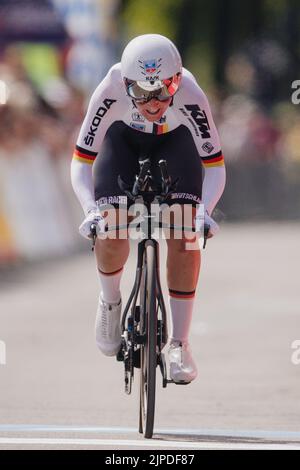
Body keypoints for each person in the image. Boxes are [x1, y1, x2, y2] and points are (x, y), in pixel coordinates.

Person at [71, 34, 226, 384]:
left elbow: (215, 165)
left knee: (185, 234)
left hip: (177, 143)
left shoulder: (191, 94)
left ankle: (180, 344)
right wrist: (90, 210)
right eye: (141, 92)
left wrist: (204, 211)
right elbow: (80, 161)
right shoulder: (109, 88)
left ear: (178, 79)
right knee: (111, 227)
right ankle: (110, 302)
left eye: (163, 90)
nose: (153, 102)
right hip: (122, 142)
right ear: (126, 83)